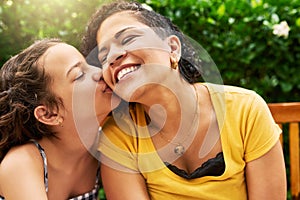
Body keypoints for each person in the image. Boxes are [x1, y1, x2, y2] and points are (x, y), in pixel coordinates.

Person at [81, 1, 287, 199]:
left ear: (172, 48)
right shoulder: (118, 136)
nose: (113, 57)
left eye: (127, 39)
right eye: (104, 56)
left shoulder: (246, 110)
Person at [0, 38, 118, 199]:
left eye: (88, 64)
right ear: (49, 115)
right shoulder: (21, 163)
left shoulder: (105, 146)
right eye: (79, 75)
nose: (100, 72)